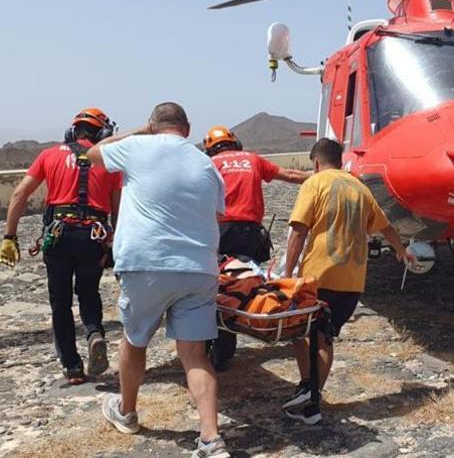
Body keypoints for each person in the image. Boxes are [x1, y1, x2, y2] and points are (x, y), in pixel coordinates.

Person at [87, 102, 231, 458]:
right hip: (198, 267)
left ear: (154, 125)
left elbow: (92, 154)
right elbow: (215, 212)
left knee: (135, 341)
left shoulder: (138, 146)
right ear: (188, 127)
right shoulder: (206, 164)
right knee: (195, 355)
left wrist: (140, 131)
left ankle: (127, 411)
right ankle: (211, 439)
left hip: (147, 263)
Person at [281, 138, 415, 425]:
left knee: (298, 331)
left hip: (319, 275)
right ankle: (310, 397)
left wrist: (287, 273)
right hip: (353, 281)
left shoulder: (315, 183)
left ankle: (310, 394)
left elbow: (299, 230)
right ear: (340, 161)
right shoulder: (360, 188)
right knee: (324, 338)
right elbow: (385, 226)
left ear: (316, 162)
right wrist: (401, 251)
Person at [1, 108, 120, 384]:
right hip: (94, 235)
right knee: (89, 292)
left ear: (72, 131)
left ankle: (72, 367)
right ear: (103, 133)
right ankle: (94, 333)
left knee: (60, 302)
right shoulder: (111, 163)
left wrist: (10, 236)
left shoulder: (49, 155)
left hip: (59, 235)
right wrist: (113, 243)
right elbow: (118, 211)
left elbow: (19, 193)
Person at [203, 125, 310, 372]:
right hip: (250, 234)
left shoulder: (210, 165)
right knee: (245, 283)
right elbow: (292, 175)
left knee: (218, 286)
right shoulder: (253, 159)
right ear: (235, 142)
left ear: (210, 148)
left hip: (220, 231)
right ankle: (256, 320)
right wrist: (328, 176)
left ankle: (220, 349)